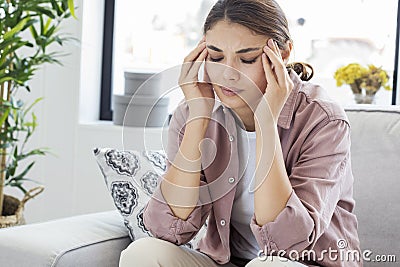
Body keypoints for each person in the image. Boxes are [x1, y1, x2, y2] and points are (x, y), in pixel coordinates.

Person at [119, 0, 362, 266]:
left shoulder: (323, 120)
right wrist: (199, 116)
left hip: (301, 262)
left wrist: (266, 121)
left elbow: (284, 242)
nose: (228, 74)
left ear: (283, 54)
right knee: (143, 253)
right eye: (216, 57)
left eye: (247, 58)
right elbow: (166, 229)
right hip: (227, 261)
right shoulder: (194, 112)